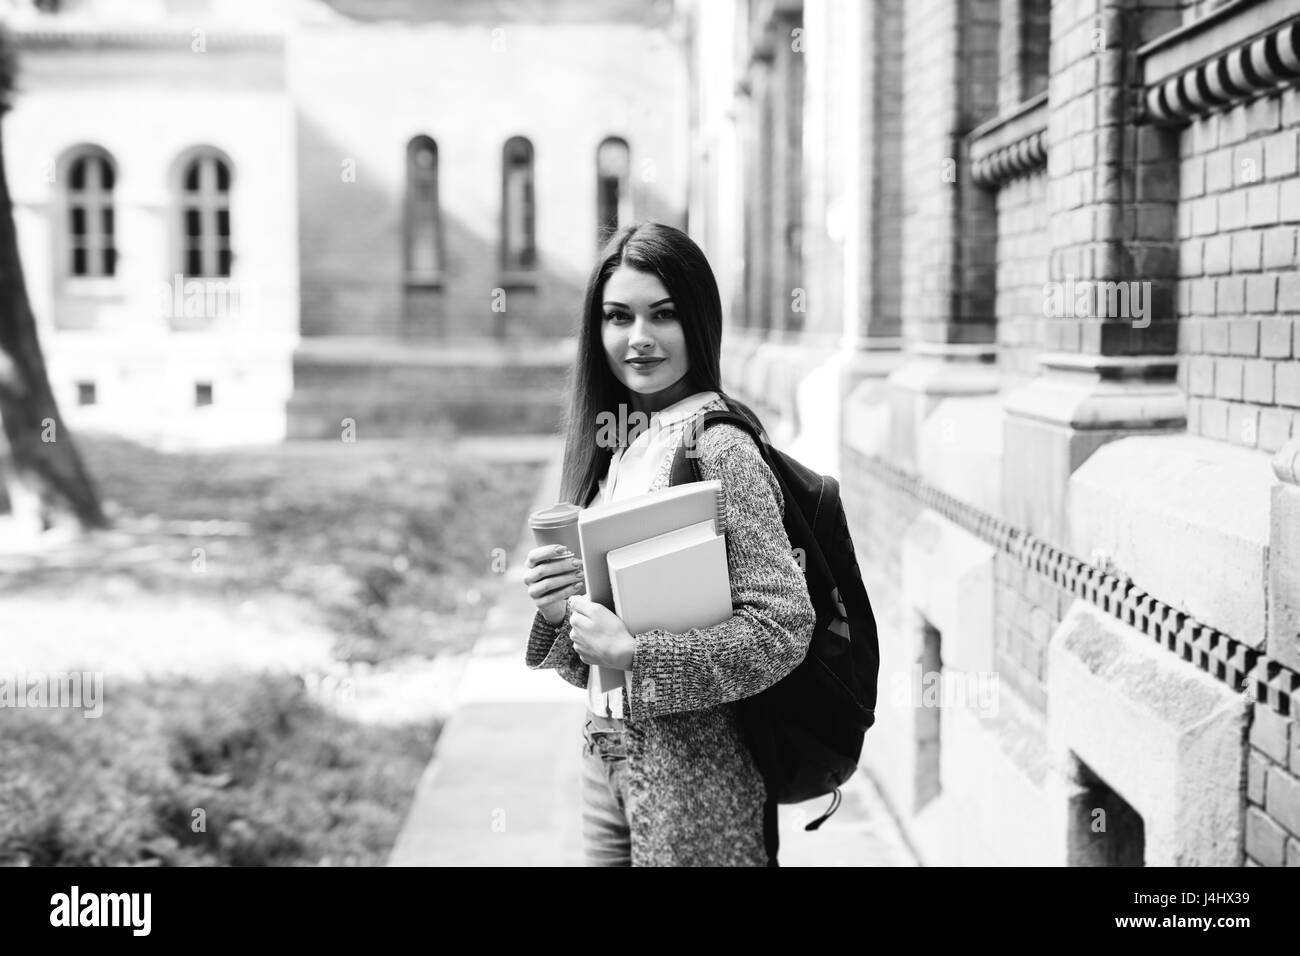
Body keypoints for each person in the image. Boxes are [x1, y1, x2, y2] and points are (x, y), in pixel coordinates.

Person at [522, 221, 815, 867]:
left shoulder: (719, 449)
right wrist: (560, 613)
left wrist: (636, 654)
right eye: (618, 316)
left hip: (696, 788)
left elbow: (784, 629)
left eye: (664, 314)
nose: (639, 338)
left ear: (699, 322)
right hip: (608, 760)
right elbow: (594, 666)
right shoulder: (622, 447)